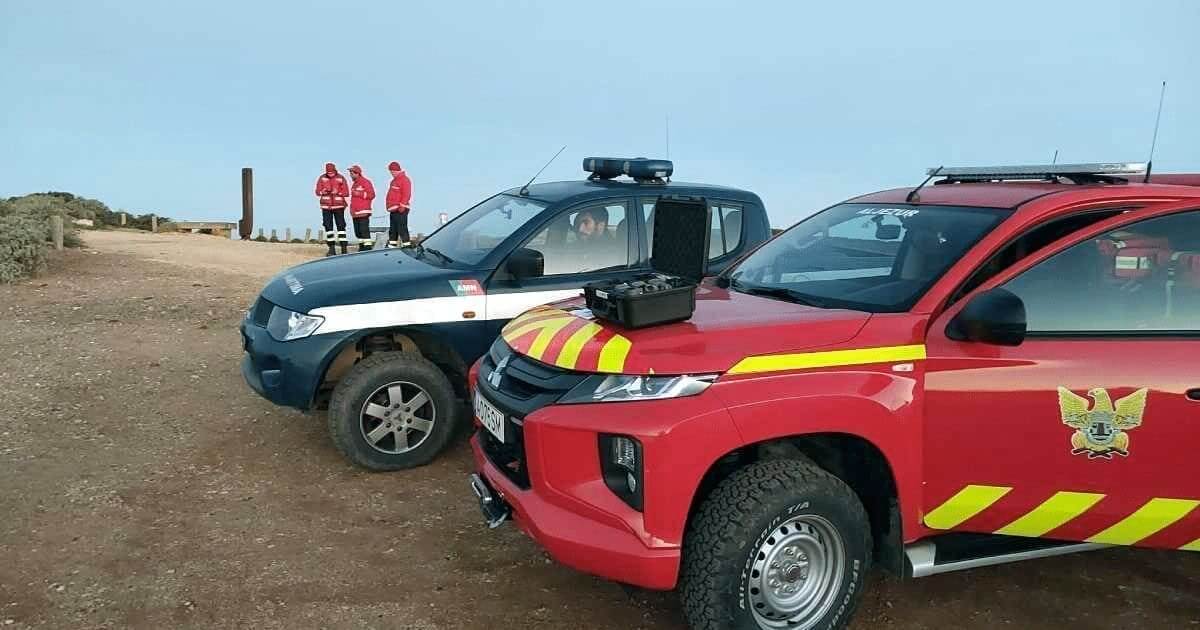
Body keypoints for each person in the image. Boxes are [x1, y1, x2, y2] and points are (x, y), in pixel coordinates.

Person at [314, 162, 349, 256]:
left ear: (335, 170)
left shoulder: (341, 178)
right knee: (328, 227)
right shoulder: (322, 178)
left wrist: (338, 192)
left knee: (341, 227)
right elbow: (317, 192)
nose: (330, 174)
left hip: (338, 206)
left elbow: (346, 192)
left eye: (331, 173)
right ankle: (331, 248)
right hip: (326, 207)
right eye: (328, 173)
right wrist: (323, 191)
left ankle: (344, 248)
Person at [348, 164, 376, 251]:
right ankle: (361, 248)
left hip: (363, 211)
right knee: (358, 232)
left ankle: (367, 249)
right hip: (355, 213)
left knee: (364, 232)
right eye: (350, 173)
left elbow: (372, 195)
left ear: (357, 173)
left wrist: (359, 194)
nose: (350, 175)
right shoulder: (354, 184)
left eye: (352, 173)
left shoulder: (366, 182)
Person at [385, 161, 413, 247]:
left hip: (400, 209)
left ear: (395, 170)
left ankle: (407, 247)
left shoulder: (404, 180)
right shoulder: (394, 181)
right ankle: (391, 248)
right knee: (393, 230)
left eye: (392, 171)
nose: (391, 173)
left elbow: (406, 194)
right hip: (393, 210)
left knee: (402, 229)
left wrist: (402, 206)